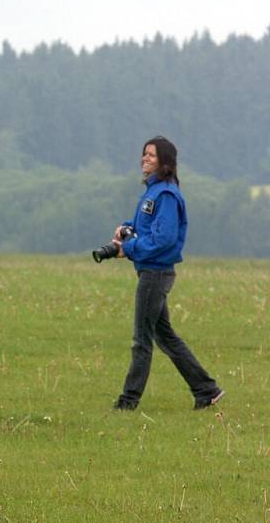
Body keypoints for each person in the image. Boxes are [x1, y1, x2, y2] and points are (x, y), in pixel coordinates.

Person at [111, 136, 224, 411]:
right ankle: (206, 390)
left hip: (155, 274)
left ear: (165, 162)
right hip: (150, 271)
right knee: (165, 336)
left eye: (151, 155)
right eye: (144, 154)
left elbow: (164, 239)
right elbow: (148, 228)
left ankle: (128, 402)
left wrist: (129, 249)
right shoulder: (152, 192)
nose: (144, 159)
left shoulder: (166, 195)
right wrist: (126, 228)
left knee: (141, 339)